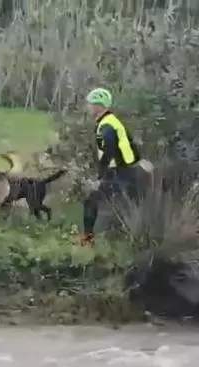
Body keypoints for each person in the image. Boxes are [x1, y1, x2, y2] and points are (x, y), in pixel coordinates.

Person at [79, 87, 148, 247]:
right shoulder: (111, 121)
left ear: (99, 106)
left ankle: (88, 241)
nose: (88, 107)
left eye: (90, 104)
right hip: (127, 171)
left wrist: (100, 177)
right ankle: (127, 240)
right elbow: (129, 143)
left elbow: (109, 150)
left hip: (121, 172)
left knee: (91, 201)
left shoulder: (107, 125)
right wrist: (139, 160)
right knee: (125, 206)